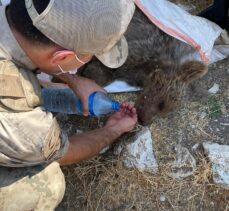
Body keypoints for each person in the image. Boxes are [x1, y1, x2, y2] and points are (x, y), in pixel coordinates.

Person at [0, 0, 137, 210]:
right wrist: (113, 129)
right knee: (48, 184)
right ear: (62, 57)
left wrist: (73, 79)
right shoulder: (18, 116)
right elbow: (64, 151)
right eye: (88, 57)